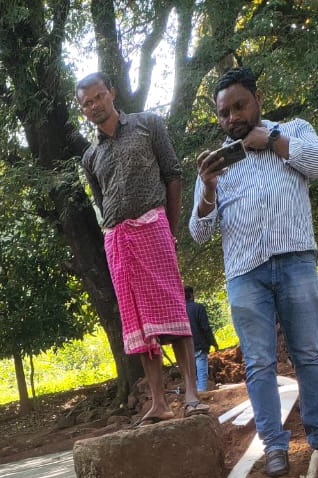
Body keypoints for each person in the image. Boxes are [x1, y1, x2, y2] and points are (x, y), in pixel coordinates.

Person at [189, 66, 318, 478]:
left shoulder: (294, 130)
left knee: (308, 354)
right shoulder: (216, 164)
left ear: (257, 99)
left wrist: (275, 140)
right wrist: (207, 188)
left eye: (239, 106)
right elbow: (199, 233)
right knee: (259, 363)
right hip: (245, 272)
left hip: (296, 259)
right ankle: (274, 446)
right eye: (224, 113)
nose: (232, 118)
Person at [77, 71, 206, 425]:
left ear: (111, 93)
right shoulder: (90, 157)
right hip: (118, 241)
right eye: (86, 103)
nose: (94, 105)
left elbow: (173, 175)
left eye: (98, 97)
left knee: (174, 309)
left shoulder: (148, 125)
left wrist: (169, 228)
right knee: (139, 322)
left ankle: (191, 395)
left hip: (153, 228)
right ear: (82, 110)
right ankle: (159, 402)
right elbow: (102, 202)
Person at [184, 286, 219, 391]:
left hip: (186, 348)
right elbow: (205, 327)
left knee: (192, 373)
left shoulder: (180, 311)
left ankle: (194, 393)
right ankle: (202, 393)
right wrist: (213, 342)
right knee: (202, 372)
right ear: (191, 295)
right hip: (200, 345)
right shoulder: (199, 308)